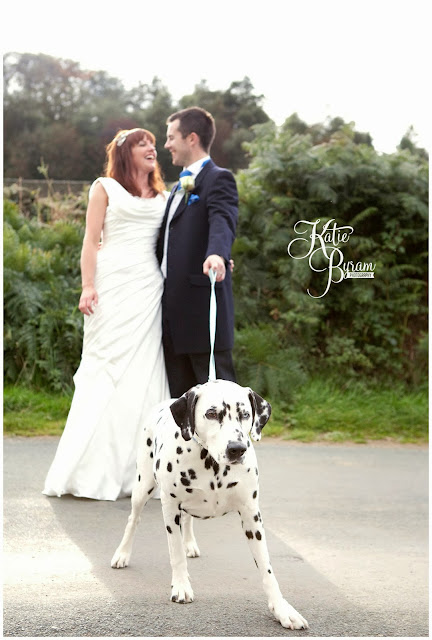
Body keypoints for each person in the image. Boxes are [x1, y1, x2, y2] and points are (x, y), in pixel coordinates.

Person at [43, 128, 170, 501]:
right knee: (105, 369)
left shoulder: (166, 196)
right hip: (112, 286)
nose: (152, 148)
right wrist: (87, 285)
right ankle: (88, 470)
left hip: (149, 287)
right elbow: (90, 239)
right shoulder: (104, 188)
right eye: (142, 143)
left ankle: (140, 472)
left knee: (146, 374)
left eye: (153, 143)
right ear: (125, 153)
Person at [156, 107, 238, 397]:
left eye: (170, 137)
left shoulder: (219, 179)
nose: (166, 145)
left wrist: (217, 252)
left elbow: (222, 220)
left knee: (219, 406)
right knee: (183, 412)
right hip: (172, 316)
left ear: (191, 138)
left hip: (203, 313)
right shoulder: (179, 185)